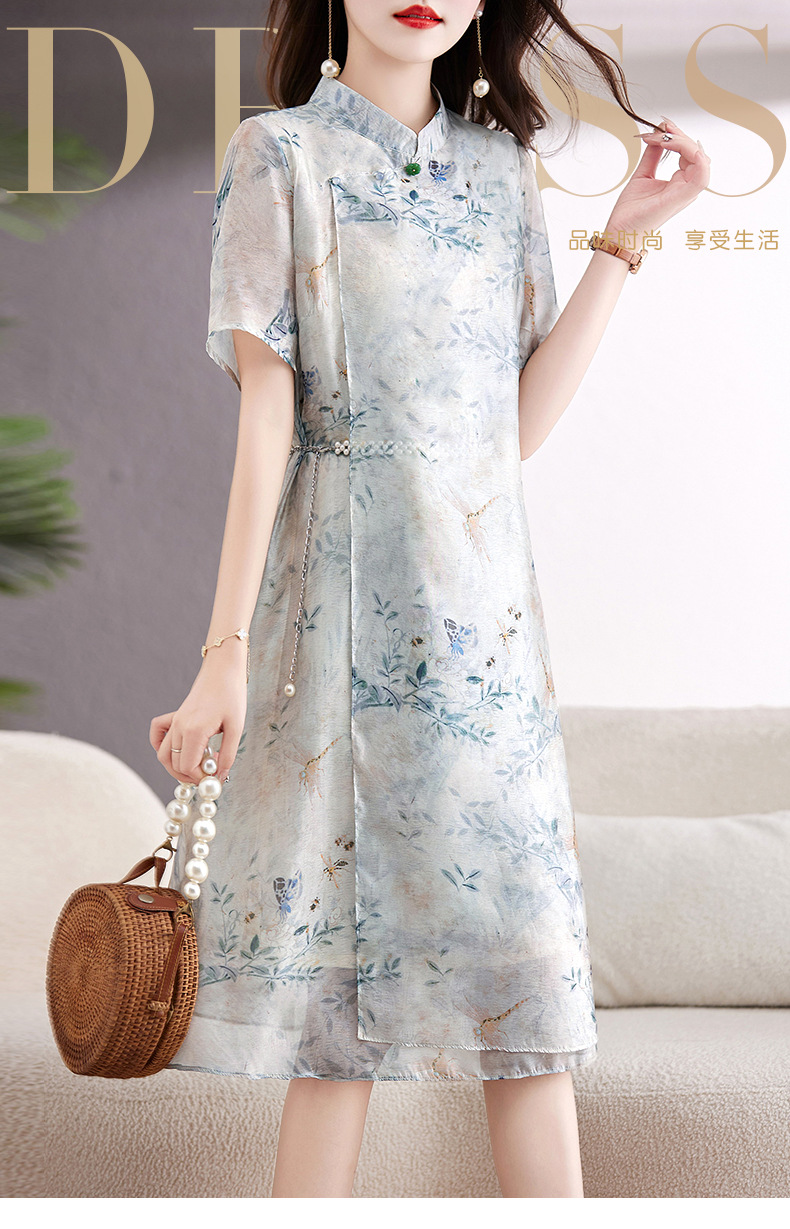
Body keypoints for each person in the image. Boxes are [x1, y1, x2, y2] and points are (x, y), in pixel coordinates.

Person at [149, 0, 709, 1200]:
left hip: (484, 640)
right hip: (336, 620)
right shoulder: (281, 155)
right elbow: (266, 418)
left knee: (527, 993)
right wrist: (223, 649)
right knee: (333, 1019)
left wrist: (621, 240)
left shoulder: (500, 171)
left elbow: (512, 431)